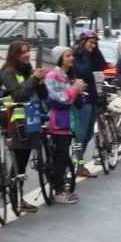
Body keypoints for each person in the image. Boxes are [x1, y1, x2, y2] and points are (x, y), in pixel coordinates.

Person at [0, 40, 46, 213]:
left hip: (30, 119)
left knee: (23, 161)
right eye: (22, 52)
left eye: (27, 51)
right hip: (15, 121)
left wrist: (40, 81)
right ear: (14, 55)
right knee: (18, 160)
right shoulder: (7, 72)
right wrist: (33, 79)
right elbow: (18, 95)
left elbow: (42, 95)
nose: (26, 54)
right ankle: (14, 197)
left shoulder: (28, 70)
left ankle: (16, 195)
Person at [44, 46, 86, 203]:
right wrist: (74, 90)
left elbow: (72, 100)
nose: (72, 58)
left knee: (63, 156)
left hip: (68, 121)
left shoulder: (67, 76)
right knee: (60, 157)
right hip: (58, 122)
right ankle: (59, 190)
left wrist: (78, 90)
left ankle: (62, 187)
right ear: (60, 58)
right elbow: (58, 99)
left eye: (72, 55)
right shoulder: (53, 75)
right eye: (68, 56)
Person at [69, 30, 107, 179]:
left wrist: (94, 52)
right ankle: (78, 164)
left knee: (89, 133)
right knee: (81, 133)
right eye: (90, 42)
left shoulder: (93, 54)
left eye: (95, 43)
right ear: (83, 42)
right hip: (81, 99)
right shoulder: (76, 56)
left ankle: (78, 161)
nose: (93, 45)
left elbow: (101, 67)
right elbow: (81, 71)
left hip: (92, 97)